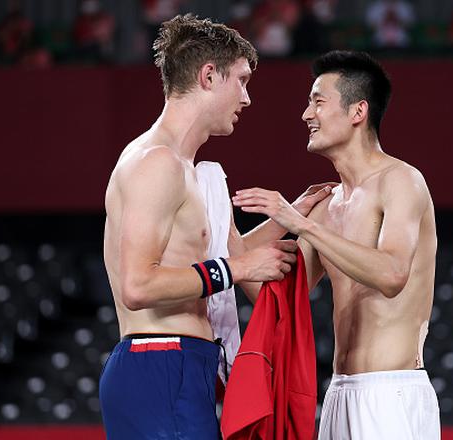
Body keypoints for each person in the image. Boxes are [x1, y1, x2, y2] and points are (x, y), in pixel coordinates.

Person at [99, 14, 331, 440]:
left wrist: (293, 213)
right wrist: (240, 271)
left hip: (177, 366)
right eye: (241, 81)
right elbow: (138, 284)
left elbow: (226, 252)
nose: (246, 99)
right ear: (208, 76)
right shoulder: (158, 163)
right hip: (161, 365)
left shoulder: (183, 167)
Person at [232, 50, 440, 439]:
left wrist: (298, 223)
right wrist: (226, 227)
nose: (306, 115)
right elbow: (267, 293)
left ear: (358, 112)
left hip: (391, 393)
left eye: (317, 102)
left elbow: (392, 274)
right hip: (338, 394)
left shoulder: (402, 181)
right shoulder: (326, 206)